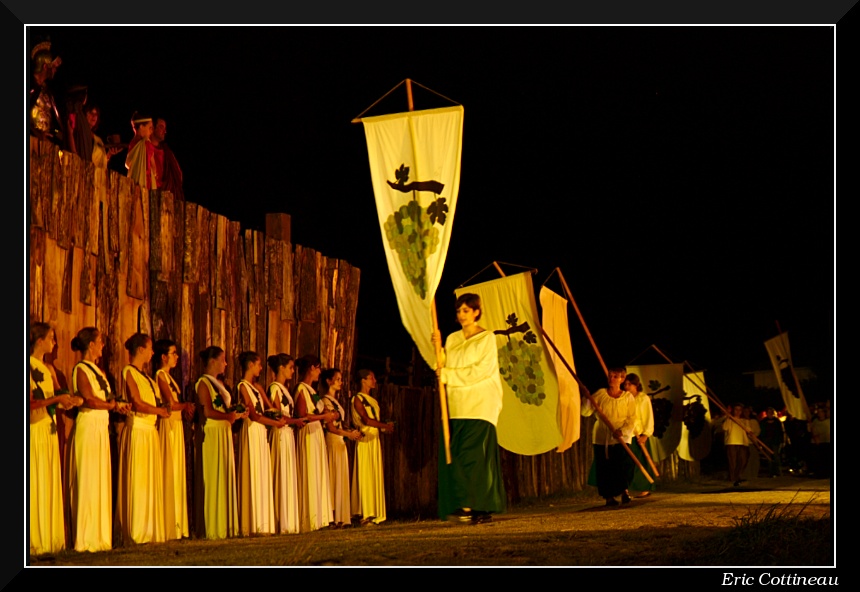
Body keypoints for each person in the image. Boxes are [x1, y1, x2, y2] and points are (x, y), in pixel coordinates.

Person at [431, 292, 506, 525]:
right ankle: (465, 505)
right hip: (457, 405)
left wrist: (448, 375)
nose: (461, 315)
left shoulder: (486, 338)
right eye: (458, 311)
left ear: (476, 312)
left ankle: (477, 506)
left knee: (473, 456)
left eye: (466, 310)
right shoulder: (453, 338)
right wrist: (437, 348)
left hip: (480, 404)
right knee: (456, 454)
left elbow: (481, 370)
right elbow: (441, 366)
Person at [66, 327, 129, 552]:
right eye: (100, 341)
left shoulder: (99, 371)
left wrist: (117, 405)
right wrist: (112, 405)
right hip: (89, 425)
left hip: (101, 425)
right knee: (88, 478)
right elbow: (89, 400)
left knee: (100, 478)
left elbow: (104, 398)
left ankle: (100, 536)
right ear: (90, 345)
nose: (103, 345)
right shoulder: (81, 368)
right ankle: (85, 538)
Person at [29, 322, 82, 556]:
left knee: (49, 478)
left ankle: (51, 537)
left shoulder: (49, 368)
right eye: (51, 338)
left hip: (50, 427)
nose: (55, 343)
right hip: (35, 427)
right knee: (36, 479)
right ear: (39, 341)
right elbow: (31, 404)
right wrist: (56, 401)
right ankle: (34, 538)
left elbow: (59, 395)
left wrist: (70, 401)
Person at [116, 333, 170, 545]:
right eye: (150, 348)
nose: (152, 352)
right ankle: (136, 529)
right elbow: (136, 402)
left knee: (149, 479)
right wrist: (159, 410)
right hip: (138, 429)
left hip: (150, 430)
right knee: (138, 479)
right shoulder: (129, 371)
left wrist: (161, 409)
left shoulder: (147, 377)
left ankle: (149, 527)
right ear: (140, 350)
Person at [194, 346, 246, 539]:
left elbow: (224, 408)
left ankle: (226, 524)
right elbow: (207, 411)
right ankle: (214, 526)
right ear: (213, 361)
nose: (225, 364)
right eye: (223, 360)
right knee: (214, 475)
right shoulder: (203, 383)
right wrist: (228, 416)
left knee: (224, 475)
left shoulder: (219, 384)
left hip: (224, 431)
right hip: (213, 432)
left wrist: (236, 413)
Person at [153, 339, 195, 539]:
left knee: (177, 472)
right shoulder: (160, 375)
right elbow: (170, 402)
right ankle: (169, 523)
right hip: (168, 425)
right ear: (163, 357)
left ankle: (177, 524)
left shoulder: (170, 377)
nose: (177, 357)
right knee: (170, 470)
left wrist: (185, 407)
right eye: (173, 353)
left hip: (176, 425)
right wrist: (185, 405)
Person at [235, 351, 280, 536]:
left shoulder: (256, 387)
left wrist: (261, 391)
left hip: (261, 431)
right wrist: (274, 424)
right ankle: (251, 522)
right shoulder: (243, 386)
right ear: (250, 365)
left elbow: (270, 408)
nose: (261, 368)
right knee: (252, 471)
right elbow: (253, 414)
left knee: (261, 473)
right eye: (259, 364)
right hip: (252, 429)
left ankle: (263, 521)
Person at [581, 367, 636, 506]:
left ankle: (624, 492)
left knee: (623, 465)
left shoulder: (627, 397)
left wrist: (622, 431)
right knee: (605, 467)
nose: (611, 378)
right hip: (602, 437)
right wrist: (587, 398)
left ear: (622, 379)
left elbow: (632, 418)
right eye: (610, 376)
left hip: (621, 437)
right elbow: (585, 412)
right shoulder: (600, 394)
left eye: (615, 376)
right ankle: (609, 497)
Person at [294, 354, 338, 532]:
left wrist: (330, 415)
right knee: (310, 471)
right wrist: (323, 417)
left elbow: (321, 411)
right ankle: (309, 517)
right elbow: (302, 415)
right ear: (311, 368)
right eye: (318, 368)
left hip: (317, 433)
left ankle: (320, 517)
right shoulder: (301, 389)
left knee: (318, 472)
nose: (320, 372)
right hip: (308, 434)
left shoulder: (312, 391)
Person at [265, 353, 307, 534]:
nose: (292, 371)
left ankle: (289, 520)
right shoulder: (275, 388)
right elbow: (276, 414)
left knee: (288, 473)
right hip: (280, 433)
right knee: (281, 472)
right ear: (281, 368)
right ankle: (280, 519)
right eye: (290, 367)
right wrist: (295, 421)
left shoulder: (284, 389)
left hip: (288, 433)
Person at [318, 368, 362, 528]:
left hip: (340, 440)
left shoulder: (335, 401)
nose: (340, 382)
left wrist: (350, 432)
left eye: (341, 379)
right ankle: (332, 515)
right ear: (329, 381)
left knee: (340, 477)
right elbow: (330, 427)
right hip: (333, 440)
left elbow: (339, 424)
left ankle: (341, 516)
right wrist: (348, 434)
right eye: (337, 379)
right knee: (333, 477)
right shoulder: (325, 400)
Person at [350, 369, 394, 526]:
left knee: (374, 473)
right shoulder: (357, 398)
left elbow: (374, 420)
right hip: (365, 439)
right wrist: (384, 426)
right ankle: (364, 513)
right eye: (371, 378)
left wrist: (383, 428)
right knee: (365, 474)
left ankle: (374, 512)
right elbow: (366, 420)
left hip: (374, 439)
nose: (374, 381)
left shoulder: (372, 400)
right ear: (363, 380)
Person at [623, 373, 656, 498]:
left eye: (629, 384)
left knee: (642, 461)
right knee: (628, 462)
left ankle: (644, 488)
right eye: (625, 384)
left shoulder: (643, 398)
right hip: (627, 434)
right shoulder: (624, 398)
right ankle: (627, 488)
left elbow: (648, 416)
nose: (626, 386)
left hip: (639, 434)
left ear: (636, 385)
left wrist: (646, 434)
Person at [29, 39, 64, 146]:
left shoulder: (47, 91)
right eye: (53, 67)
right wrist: (37, 134)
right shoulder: (29, 85)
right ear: (45, 66)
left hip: (45, 144)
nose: (55, 70)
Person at [718, 403, 760, 487]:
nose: (738, 411)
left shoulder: (745, 421)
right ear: (734, 410)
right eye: (736, 409)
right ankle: (734, 479)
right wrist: (728, 417)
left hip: (743, 442)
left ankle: (738, 476)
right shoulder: (730, 419)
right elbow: (724, 428)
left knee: (743, 460)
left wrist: (752, 435)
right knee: (733, 462)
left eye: (740, 410)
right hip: (732, 442)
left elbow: (749, 431)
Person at [151, 116, 184, 200]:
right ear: (153, 128)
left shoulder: (166, 152)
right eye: (161, 127)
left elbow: (178, 174)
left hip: (166, 195)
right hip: (149, 192)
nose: (165, 131)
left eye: (165, 128)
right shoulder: (144, 147)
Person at [125, 111, 157, 190]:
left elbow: (127, 164)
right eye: (150, 128)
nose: (151, 131)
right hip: (145, 182)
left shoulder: (132, 144)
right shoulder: (146, 143)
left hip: (134, 180)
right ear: (141, 126)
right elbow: (153, 167)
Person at [759, 407, 787, 478]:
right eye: (768, 412)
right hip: (766, 442)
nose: (770, 413)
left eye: (771, 412)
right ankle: (770, 472)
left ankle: (778, 471)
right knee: (768, 456)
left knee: (776, 456)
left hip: (775, 441)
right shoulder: (763, 422)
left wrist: (782, 441)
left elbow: (781, 432)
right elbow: (761, 432)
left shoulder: (777, 421)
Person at [808, 405, 831, 478]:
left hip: (827, 442)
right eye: (818, 412)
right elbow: (812, 431)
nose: (819, 413)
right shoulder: (815, 422)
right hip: (819, 443)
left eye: (821, 412)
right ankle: (821, 473)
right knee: (820, 459)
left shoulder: (829, 421)